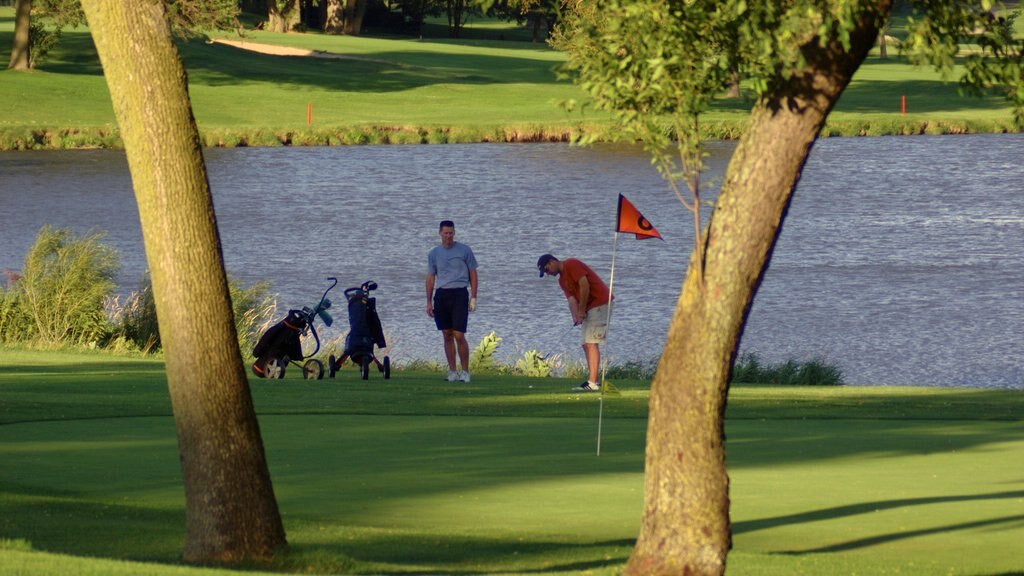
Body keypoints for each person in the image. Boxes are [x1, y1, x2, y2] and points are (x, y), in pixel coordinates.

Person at [537, 254, 611, 392]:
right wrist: (576, 316)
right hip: (589, 307)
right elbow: (571, 300)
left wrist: (581, 310)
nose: (548, 273)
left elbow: (585, 286)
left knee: (591, 342)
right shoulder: (561, 281)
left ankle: (593, 383)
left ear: (552, 261)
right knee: (585, 343)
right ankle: (592, 381)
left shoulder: (571, 264)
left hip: (600, 302)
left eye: (547, 270)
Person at [426, 220, 478, 382]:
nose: (448, 236)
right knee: (447, 334)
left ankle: (465, 372)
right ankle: (452, 371)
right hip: (442, 295)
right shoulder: (434, 253)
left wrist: (473, 296)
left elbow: (473, 274)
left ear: (454, 233)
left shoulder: (464, 250)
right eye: (445, 233)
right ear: (440, 233)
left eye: (451, 233)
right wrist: (428, 301)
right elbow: (430, 277)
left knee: (459, 334)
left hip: (459, 294)